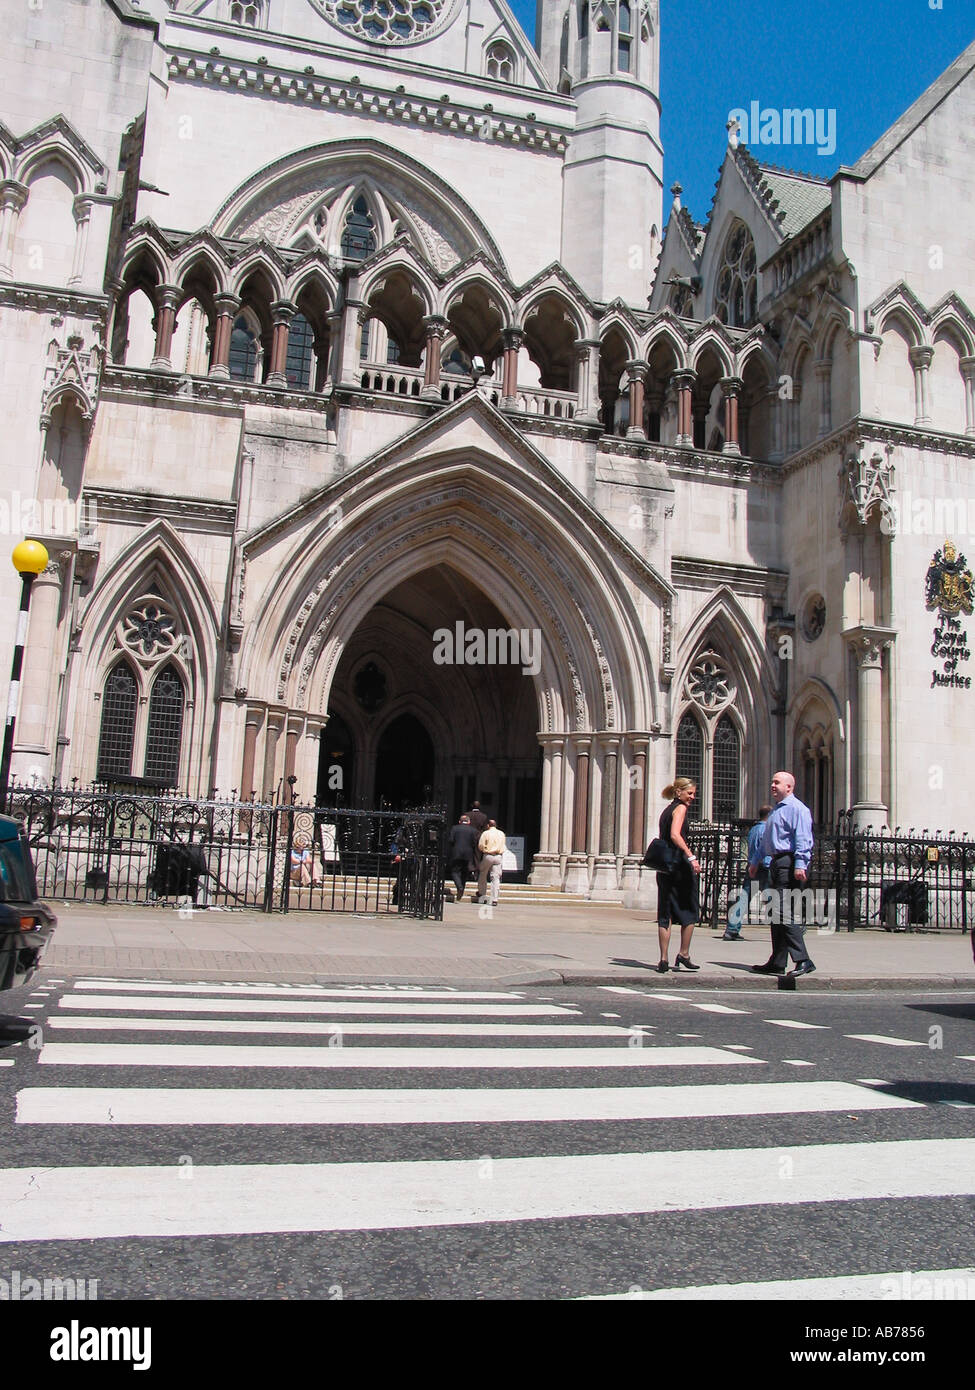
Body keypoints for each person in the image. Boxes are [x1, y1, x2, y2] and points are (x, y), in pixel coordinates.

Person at [751, 771, 816, 977]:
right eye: (772, 781)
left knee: (783, 911)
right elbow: (767, 840)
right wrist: (755, 861)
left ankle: (803, 959)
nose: (772, 785)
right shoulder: (777, 811)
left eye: (777, 782)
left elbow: (804, 838)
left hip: (788, 863)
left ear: (789, 787)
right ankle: (778, 961)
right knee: (775, 912)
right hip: (776, 862)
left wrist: (800, 864)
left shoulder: (797, 809)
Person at [655, 779, 701, 972]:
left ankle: (663, 958)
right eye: (689, 793)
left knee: (665, 913)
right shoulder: (680, 808)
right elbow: (675, 835)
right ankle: (684, 953)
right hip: (680, 866)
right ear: (678, 792)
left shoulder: (666, 810)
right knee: (690, 910)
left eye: (693, 793)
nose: (692, 797)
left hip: (665, 867)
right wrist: (691, 857)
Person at [723, 805, 772, 940]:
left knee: (744, 898)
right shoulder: (766, 830)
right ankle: (787, 927)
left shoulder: (753, 829)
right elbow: (765, 850)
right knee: (773, 898)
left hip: (752, 866)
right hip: (765, 866)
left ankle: (732, 929)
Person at [446, 814, 479, 903]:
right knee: (465, 872)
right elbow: (475, 843)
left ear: (460, 821)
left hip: (456, 853)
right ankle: (462, 888)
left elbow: (451, 840)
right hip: (468, 854)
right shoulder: (473, 830)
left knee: (455, 871)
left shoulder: (454, 828)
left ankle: (459, 887)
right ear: (469, 822)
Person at [476, 819, 506, 906]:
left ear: (488, 825)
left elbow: (481, 845)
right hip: (498, 856)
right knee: (495, 878)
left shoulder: (486, 833)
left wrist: (484, 849)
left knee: (483, 874)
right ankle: (495, 899)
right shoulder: (501, 833)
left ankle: (482, 895)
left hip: (488, 855)